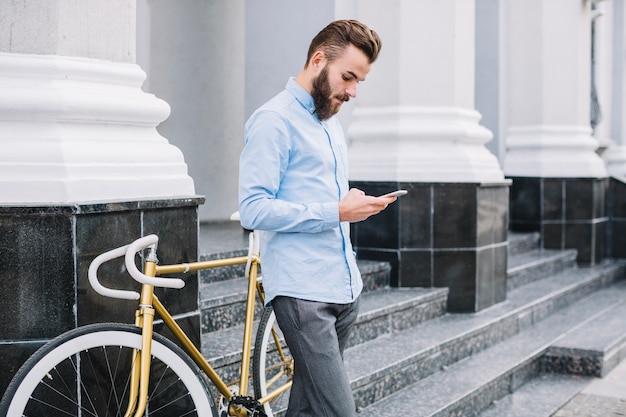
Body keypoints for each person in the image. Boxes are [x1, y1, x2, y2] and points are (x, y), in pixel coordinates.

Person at [238, 19, 392, 417]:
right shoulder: (274, 120)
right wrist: (337, 210)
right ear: (318, 59)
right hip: (303, 294)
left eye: (359, 81)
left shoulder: (330, 123)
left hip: (343, 288)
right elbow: (254, 209)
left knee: (308, 410)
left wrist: (350, 201)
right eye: (348, 77)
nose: (353, 91)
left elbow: (318, 197)